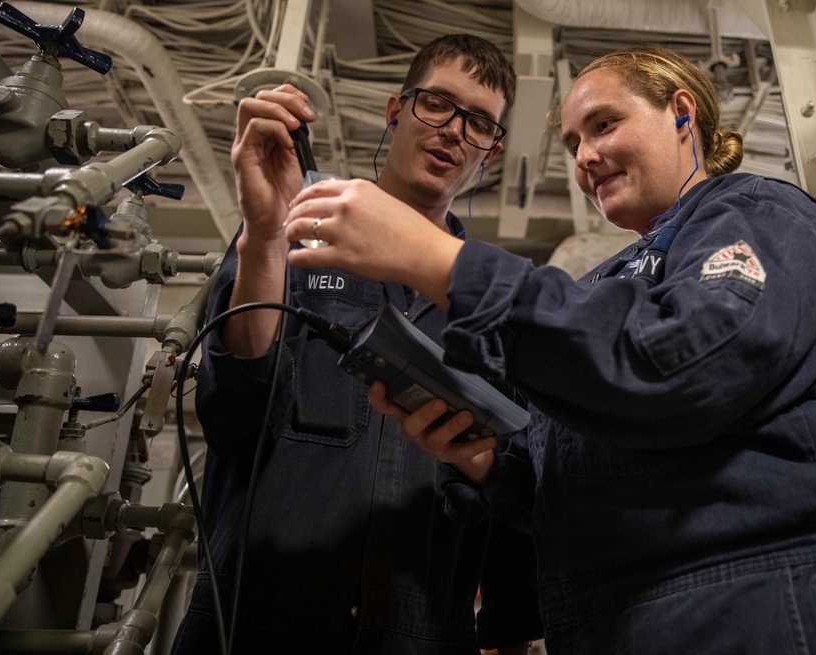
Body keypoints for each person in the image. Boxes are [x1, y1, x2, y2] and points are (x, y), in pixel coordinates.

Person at [280, 45, 816, 654]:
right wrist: (492, 465)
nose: (583, 157)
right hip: (626, 615)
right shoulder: (608, 281)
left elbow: (687, 363)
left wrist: (443, 261)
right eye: (573, 142)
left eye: (604, 124)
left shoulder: (758, 213)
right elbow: (596, 479)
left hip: (771, 599)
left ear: (682, 113)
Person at [173, 34, 543, 654]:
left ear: (492, 150)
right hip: (256, 618)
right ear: (397, 111)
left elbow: (517, 489)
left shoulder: (495, 298)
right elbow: (234, 409)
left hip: (421, 632)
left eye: (479, 122)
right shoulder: (295, 228)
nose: (454, 131)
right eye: (437, 104)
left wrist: (510, 632)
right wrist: (264, 234)